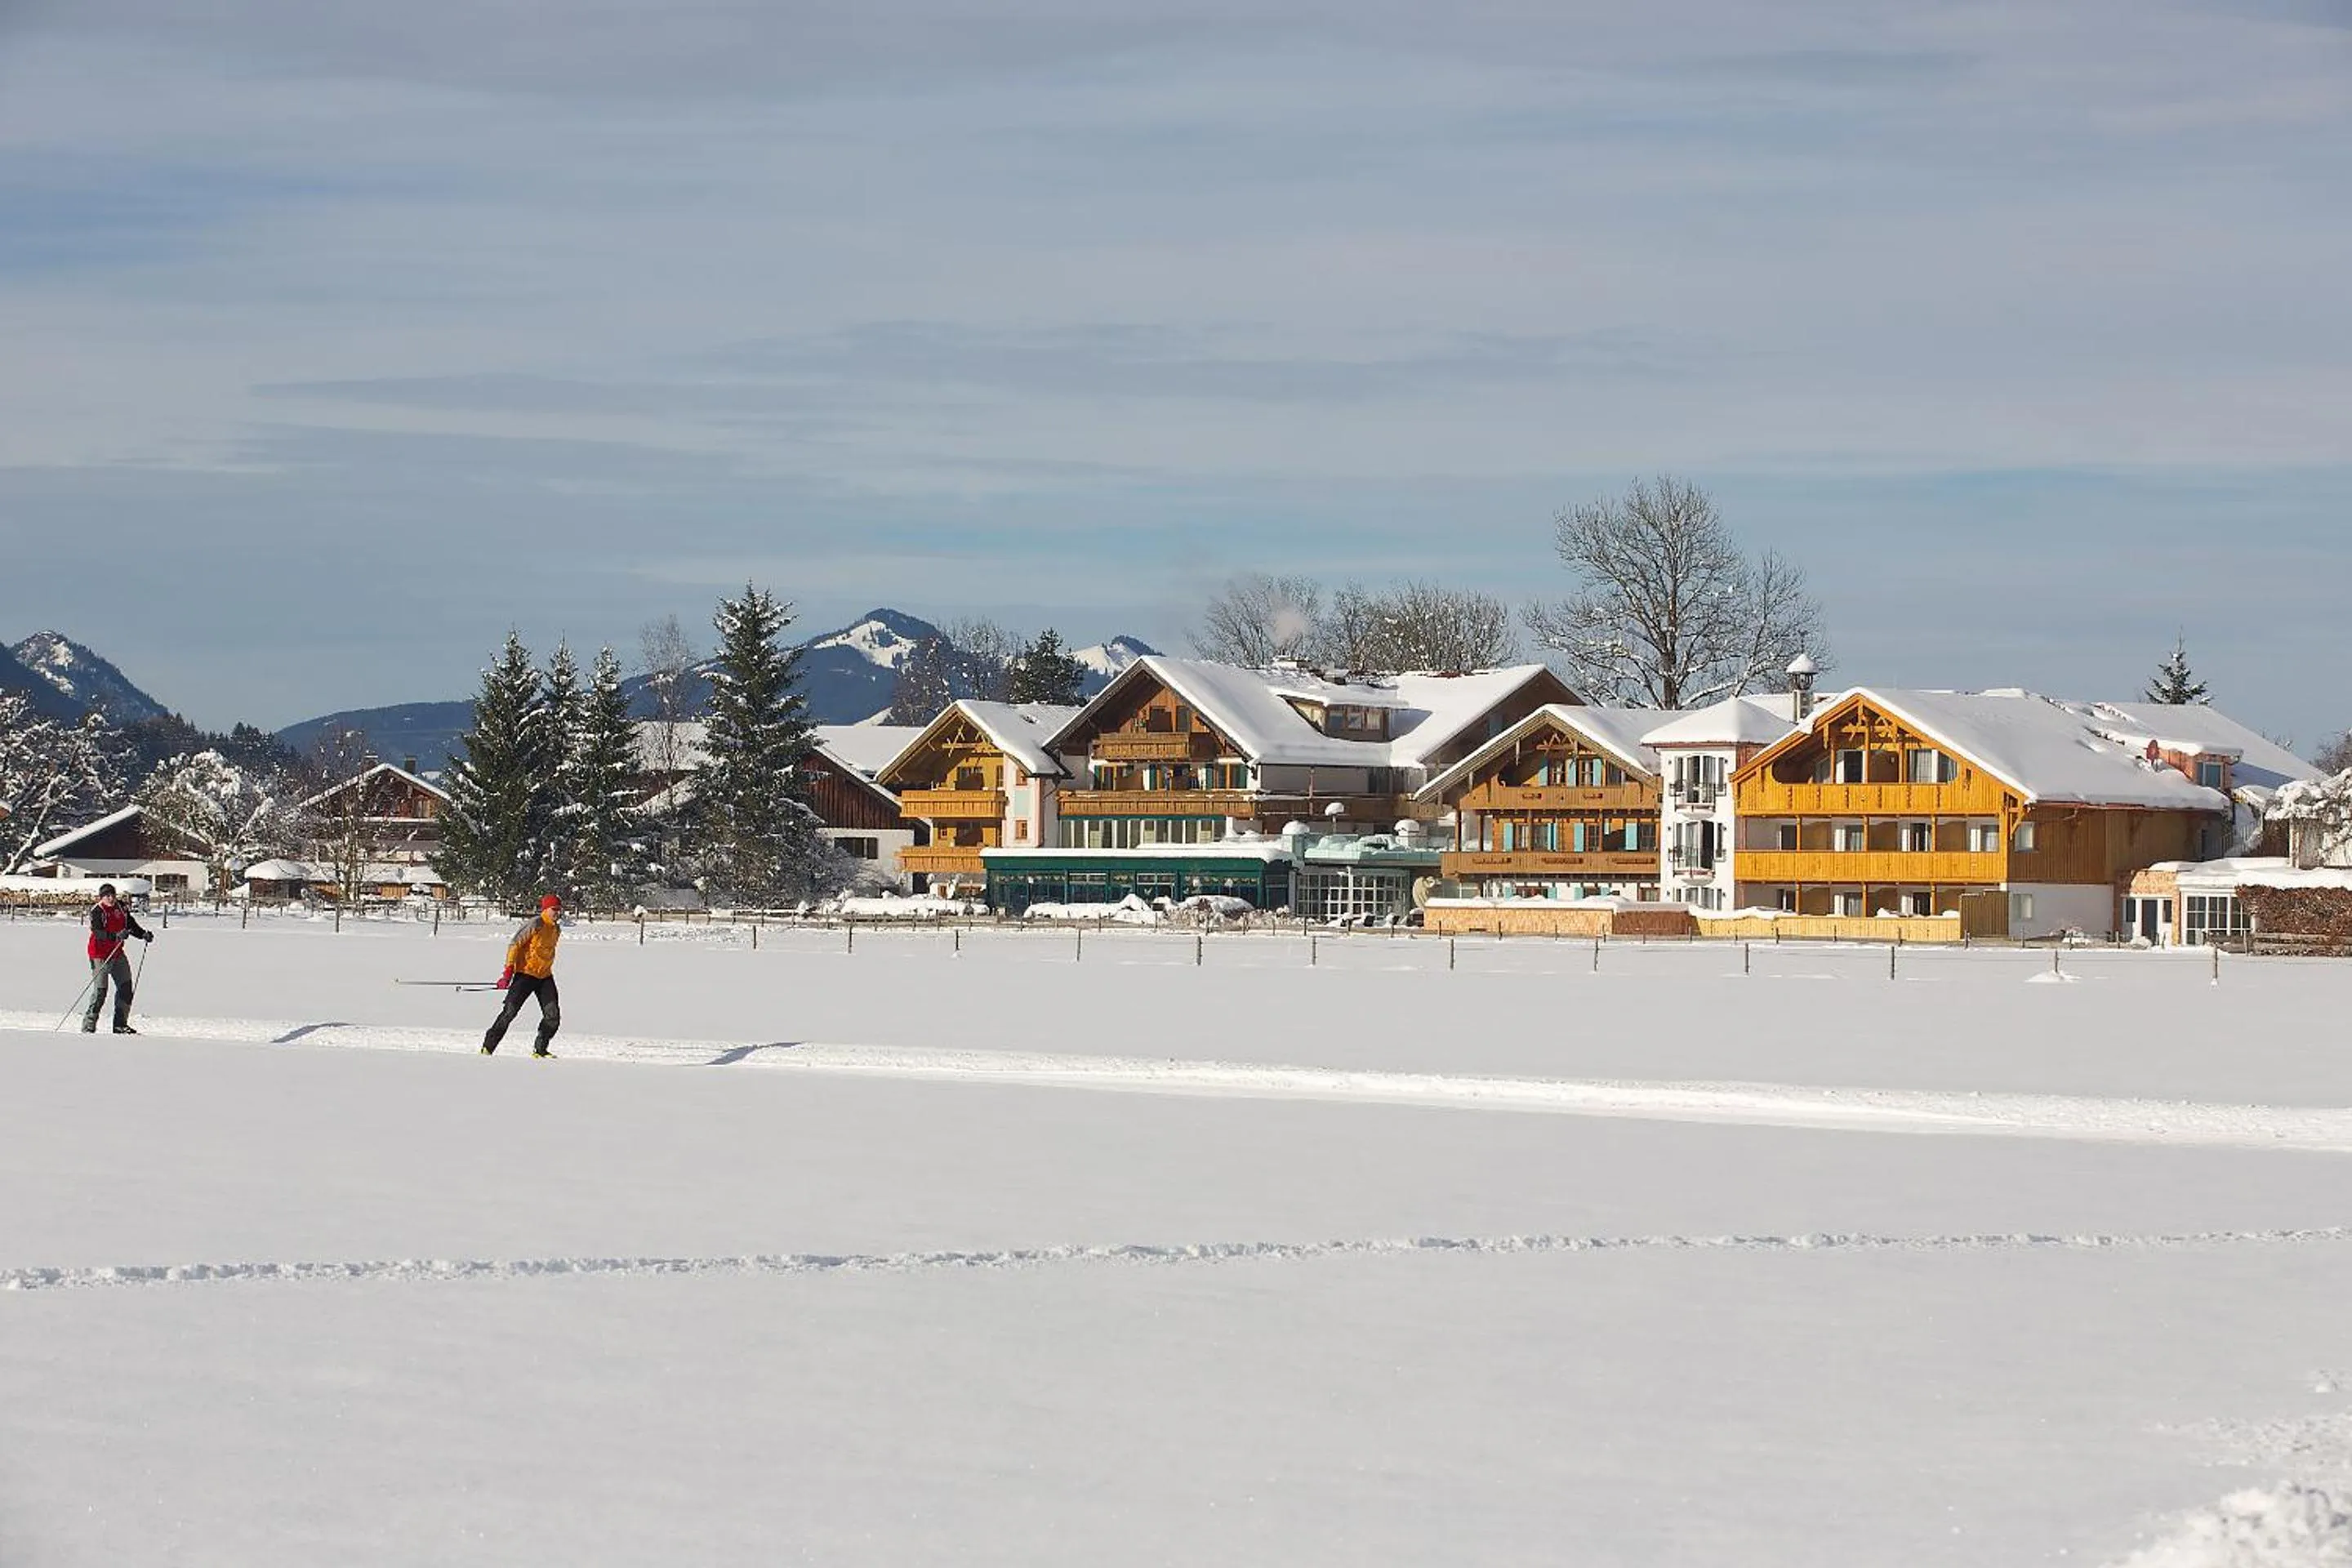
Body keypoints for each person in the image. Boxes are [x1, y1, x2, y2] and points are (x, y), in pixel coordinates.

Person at [482, 893, 564, 1058]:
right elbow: (515, 945)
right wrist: (508, 972)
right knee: (509, 1012)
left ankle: (540, 1050)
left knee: (553, 1015)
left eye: (559, 910)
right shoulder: (535, 924)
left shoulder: (556, 929)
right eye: (554, 909)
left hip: (545, 976)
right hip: (525, 975)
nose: (558, 913)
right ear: (546, 909)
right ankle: (488, 1048)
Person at [82, 882, 154, 1035]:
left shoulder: (120, 907)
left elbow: (130, 924)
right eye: (107, 895)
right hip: (99, 955)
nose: (111, 898)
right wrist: (115, 936)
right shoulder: (97, 911)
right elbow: (98, 933)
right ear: (101, 897)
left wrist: (143, 935)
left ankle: (120, 1025)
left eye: (113, 894)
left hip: (117, 954)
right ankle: (88, 1027)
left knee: (126, 988)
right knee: (100, 992)